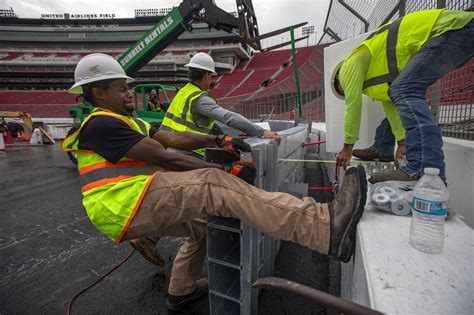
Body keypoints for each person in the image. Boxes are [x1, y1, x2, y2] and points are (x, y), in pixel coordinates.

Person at [62, 53, 368, 311]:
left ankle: (180, 291)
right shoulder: (100, 124)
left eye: (128, 87)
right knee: (212, 184)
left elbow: (173, 138)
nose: (130, 93)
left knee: (202, 224)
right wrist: (224, 172)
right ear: (99, 93)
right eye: (120, 89)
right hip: (121, 204)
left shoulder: (128, 121)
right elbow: (165, 156)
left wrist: (219, 139)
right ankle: (324, 227)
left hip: (130, 199)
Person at [335, 9, 473, 183]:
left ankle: (423, 169)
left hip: (449, 28)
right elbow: (391, 107)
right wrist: (402, 143)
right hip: (456, 31)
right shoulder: (376, 77)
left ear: (339, 78)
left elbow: (352, 105)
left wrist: (347, 146)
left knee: (405, 89)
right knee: (402, 89)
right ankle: (424, 168)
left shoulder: (349, 65)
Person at [160, 52, 281, 158]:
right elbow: (228, 117)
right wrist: (262, 132)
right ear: (206, 75)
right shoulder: (199, 99)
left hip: (171, 150)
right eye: (211, 75)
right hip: (189, 153)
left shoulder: (184, 92)